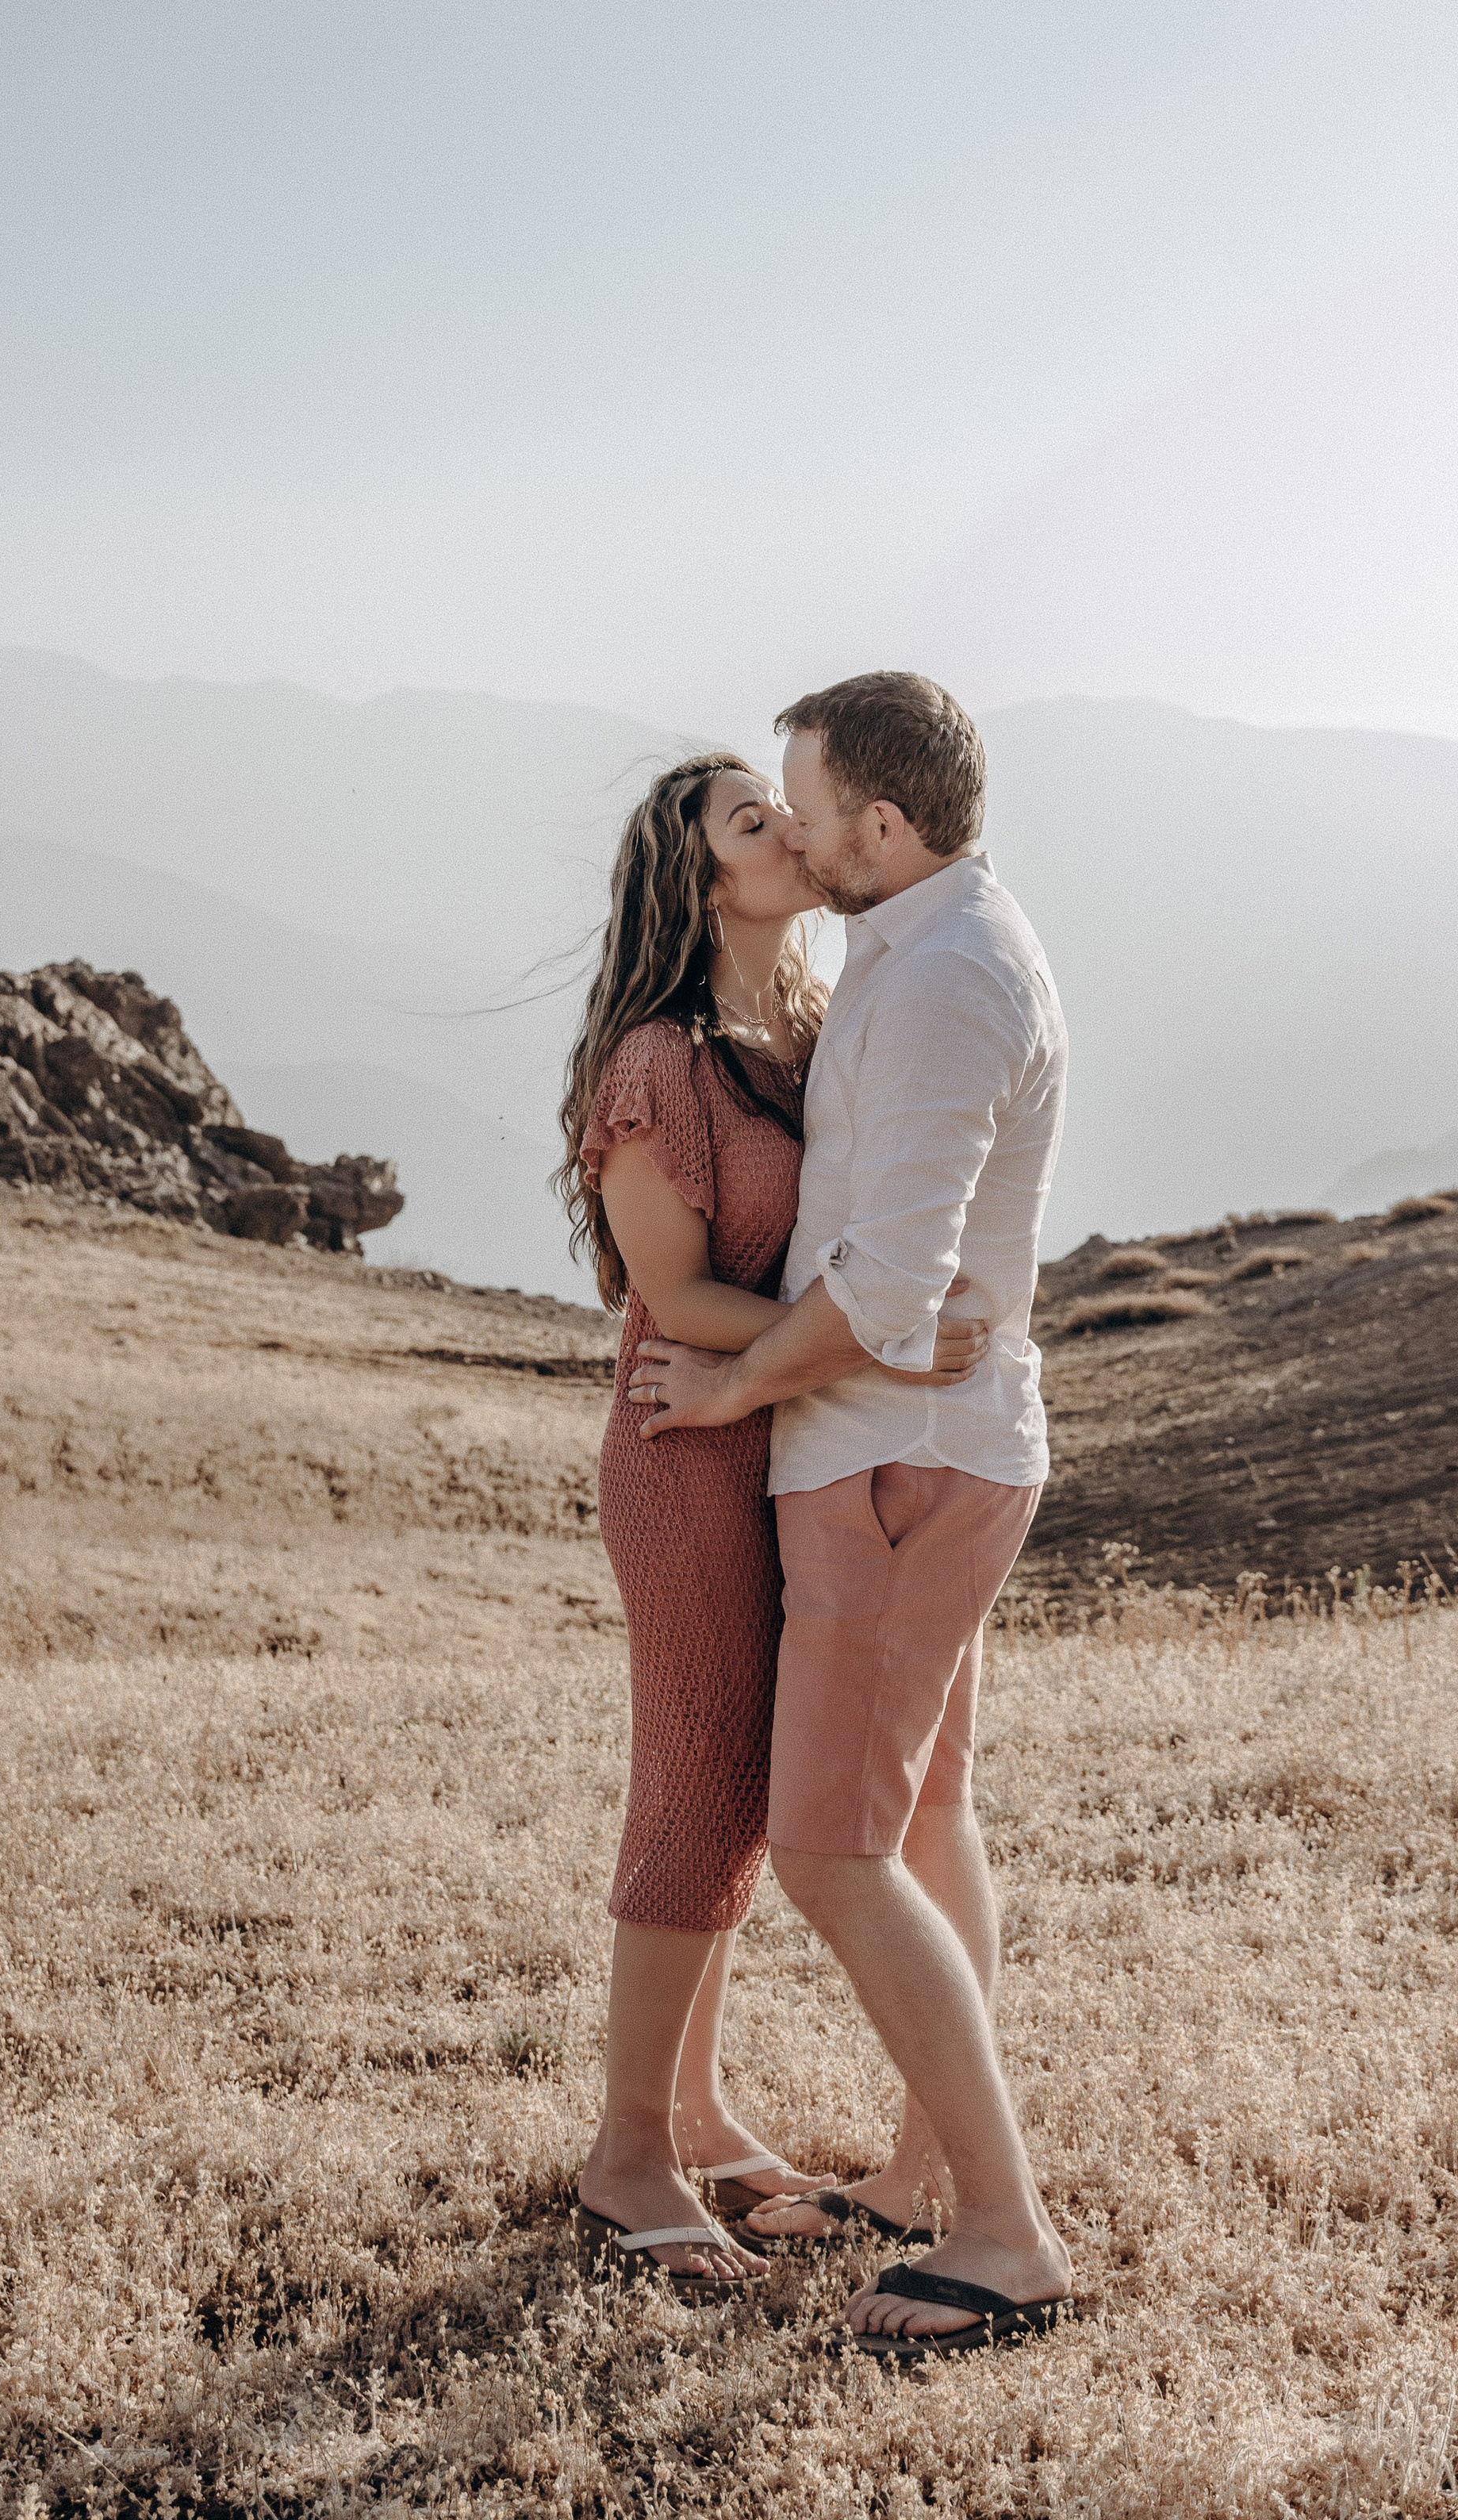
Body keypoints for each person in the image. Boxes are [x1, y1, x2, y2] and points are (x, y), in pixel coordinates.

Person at [632, 671, 1075, 2359]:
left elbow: (890, 1279)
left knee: (828, 1847)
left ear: (880, 828)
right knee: (925, 1816)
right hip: (911, 1441)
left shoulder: (945, 976)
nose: (793, 827)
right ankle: (916, 2179)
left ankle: (1004, 2238)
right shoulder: (913, 950)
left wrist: (739, 1389)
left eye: (806, 802)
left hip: (895, 1458)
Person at [556, 749, 990, 2292]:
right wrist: (864, 1334)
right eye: (753, 822)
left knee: (747, 1789)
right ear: (699, 881)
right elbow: (669, 1296)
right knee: (699, 1788)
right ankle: (626, 2160)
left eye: (780, 806)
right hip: (686, 1452)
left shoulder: (812, 1028)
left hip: (795, 1438)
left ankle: (695, 2101)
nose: (786, 828)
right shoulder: (659, 1063)